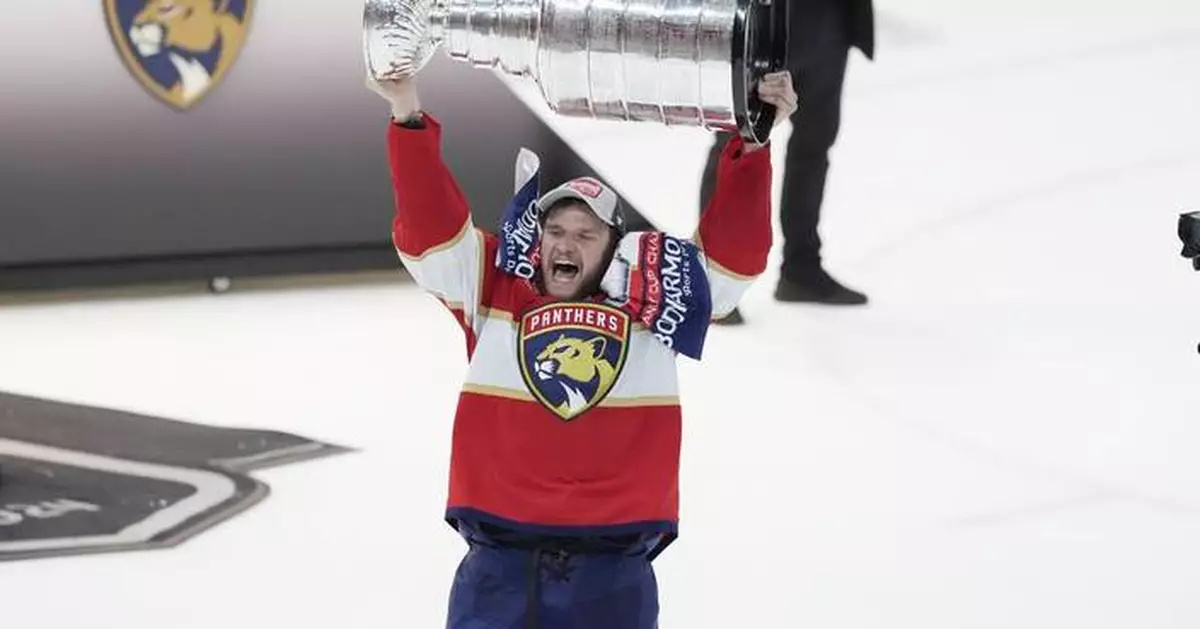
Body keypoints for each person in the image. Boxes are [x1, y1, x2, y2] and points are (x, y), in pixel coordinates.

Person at [367, 70, 797, 629]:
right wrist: (406, 112)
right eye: (556, 231)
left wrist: (755, 144)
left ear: (613, 247)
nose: (566, 243)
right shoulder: (494, 286)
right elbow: (430, 233)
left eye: (586, 234)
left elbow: (735, 256)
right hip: (499, 560)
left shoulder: (655, 299)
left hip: (610, 567)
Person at [702, 0, 875, 324]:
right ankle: (710, 283)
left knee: (815, 144)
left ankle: (801, 268)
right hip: (764, 19)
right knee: (736, 139)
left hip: (831, 22)